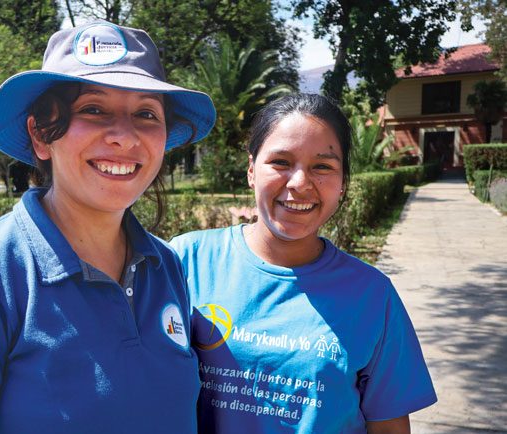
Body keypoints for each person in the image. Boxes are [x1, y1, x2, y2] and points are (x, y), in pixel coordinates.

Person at [0, 21, 216, 434]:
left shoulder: (165, 265)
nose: (124, 136)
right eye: (93, 109)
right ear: (40, 134)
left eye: (145, 113)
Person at [170, 94, 436, 434]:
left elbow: (389, 424)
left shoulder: (372, 295)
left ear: (342, 183)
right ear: (252, 170)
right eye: (281, 161)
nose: (299, 183)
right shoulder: (185, 260)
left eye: (322, 166)